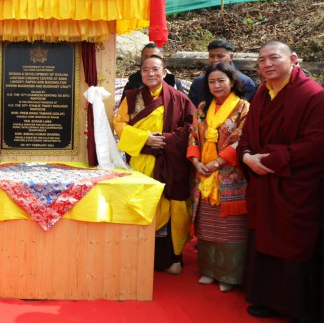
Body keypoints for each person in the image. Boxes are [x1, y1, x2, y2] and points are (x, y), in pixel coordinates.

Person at [238, 41, 324, 321]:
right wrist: (247, 156)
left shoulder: (313, 95)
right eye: (261, 60)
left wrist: (270, 159)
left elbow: (316, 143)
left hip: (295, 184)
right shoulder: (263, 92)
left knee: (293, 242)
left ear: (294, 59)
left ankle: (297, 307)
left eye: (273, 58)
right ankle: (267, 299)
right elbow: (248, 132)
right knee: (264, 237)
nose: (266, 65)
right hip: (264, 181)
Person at [114, 55, 195, 275]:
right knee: (141, 206)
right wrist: (145, 139)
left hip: (169, 163)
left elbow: (191, 127)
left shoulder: (179, 98)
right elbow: (119, 123)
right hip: (141, 161)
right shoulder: (132, 97)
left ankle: (171, 258)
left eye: (155, 69)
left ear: (165, 72)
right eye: (145, 70)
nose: (150, 73)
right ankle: (138, 256)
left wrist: (166, 140)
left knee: (169, 206)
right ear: (140, 73)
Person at [187, 62, 250, 293]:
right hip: (203, 173)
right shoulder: (203, 107)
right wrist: (196, 162)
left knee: (230, 228)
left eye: (221, 80)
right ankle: (209, 270)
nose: (216, 85)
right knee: (207, 226)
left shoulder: (243, 108)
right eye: (212, 81)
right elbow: (193, 135)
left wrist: (216, 163)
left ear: (232, 82)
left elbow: (240, 140)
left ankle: (229, 275)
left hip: (229, 175)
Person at [187, 39, 257, 107]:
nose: (215, 60)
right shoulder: (199, 82)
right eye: (212, 56)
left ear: (231, 57)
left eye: (220, 56)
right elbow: (192, 109)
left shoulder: (245, 82)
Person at [120, 43, 185, 104]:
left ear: (162, 60)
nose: (150, 60)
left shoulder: (174, 83)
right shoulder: (132, 83)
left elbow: (184, 108)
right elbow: (123, 111)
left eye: (155, 57)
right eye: (146, 57)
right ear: (141, 60)